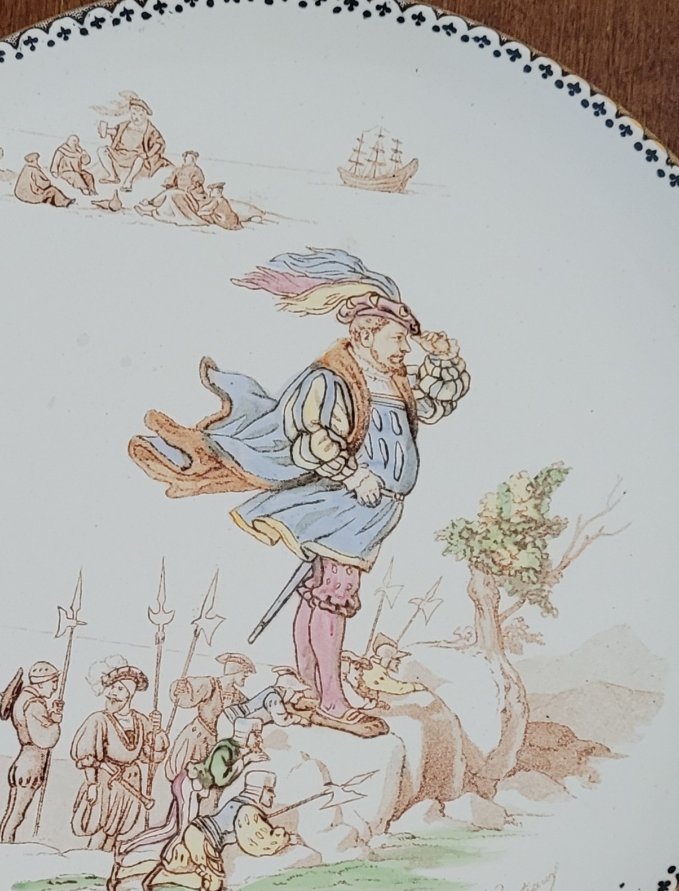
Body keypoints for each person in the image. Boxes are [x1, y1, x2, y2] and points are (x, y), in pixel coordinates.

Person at [129, 249, 469, 739]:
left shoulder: (391, 377)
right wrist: (352, 475)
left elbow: (438, 404)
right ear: (366, 333)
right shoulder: (333, 376)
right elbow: (313, 439)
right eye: (398, 339)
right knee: (334, 595)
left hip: (373, 511)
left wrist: (441, 359)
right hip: (347, 505)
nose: (404, 349)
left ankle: (314, 691)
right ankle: (331, 701)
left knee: (321, 593)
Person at [71, 657, 168, 852]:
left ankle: (104, 865)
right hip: (105, 781)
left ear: (130, 694)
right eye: (112, 688)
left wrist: (156, 730)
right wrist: (91, 784)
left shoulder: (141, 721)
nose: (113, 693)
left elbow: (151, 755)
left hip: (130, 783)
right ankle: (87, 862)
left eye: (120, 689)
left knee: (115, 832)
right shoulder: (99, 720)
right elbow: (86, 755)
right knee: (99, 830)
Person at [142, 771, 290, 891]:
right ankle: (164, 877)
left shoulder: (241, 802)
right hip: (204, 838)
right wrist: (284, 838)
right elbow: (257, 843)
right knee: (213, 885)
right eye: (269, 791)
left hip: (196, 831)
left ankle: (143, 871)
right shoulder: (248, 811)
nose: (273, 796)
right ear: (259, 790)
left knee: (182, 865)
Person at [0, 662, 63, 843]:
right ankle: (4, 846)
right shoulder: (34, 704)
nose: (55, 688)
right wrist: (55, 722)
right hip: (31, 763)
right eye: (53, 682)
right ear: (41, 683)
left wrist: (50, 716)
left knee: (13, 812)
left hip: (25, 761)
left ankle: (4, 843)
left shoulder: (25, 700)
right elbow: (44, 739)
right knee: (16, 814)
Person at [164, 651, 254, 781]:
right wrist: (180, 689)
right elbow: (187, 695)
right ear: (235, 670)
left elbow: (249, 712)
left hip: (214, 744)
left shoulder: (238, 697)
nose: (246, 675)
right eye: (244, 672)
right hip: (196, 738)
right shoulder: (210, 685)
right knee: (183, 776)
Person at [95, 92, 170, 190]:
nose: (136, 117)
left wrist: (147, 154)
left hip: (135, 156)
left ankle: (128, 181)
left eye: (139, 114)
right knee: (102, 150)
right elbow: (117, 132)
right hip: (120, 153)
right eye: (134, 114)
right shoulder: (126, 124)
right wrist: (105, 130)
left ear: (145, 114)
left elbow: (158, 143)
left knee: (140, 159)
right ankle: (113, 176)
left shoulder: (149, 129)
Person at [135, 150, 208, 223]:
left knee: (172, 193)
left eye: (189, 158)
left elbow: (197, 184)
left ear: (193, 159)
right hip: (180, 193)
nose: (186, 159)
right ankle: (151, 208)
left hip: (190, 196)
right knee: (170, 194)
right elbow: (172, 178)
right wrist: (168, 183)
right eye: (186, 158)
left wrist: (190, 189)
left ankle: (151, 205)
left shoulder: (196, 170)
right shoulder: (180, 169)